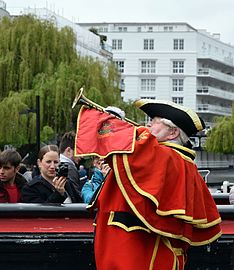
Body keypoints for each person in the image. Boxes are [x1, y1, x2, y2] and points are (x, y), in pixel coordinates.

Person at [88, 99, 222, 270]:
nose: (148, 125)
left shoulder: (166, 156)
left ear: (173, 133)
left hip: (144, 254)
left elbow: (123, 147)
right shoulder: (177, 159)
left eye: (154, 121)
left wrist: (108, 121)